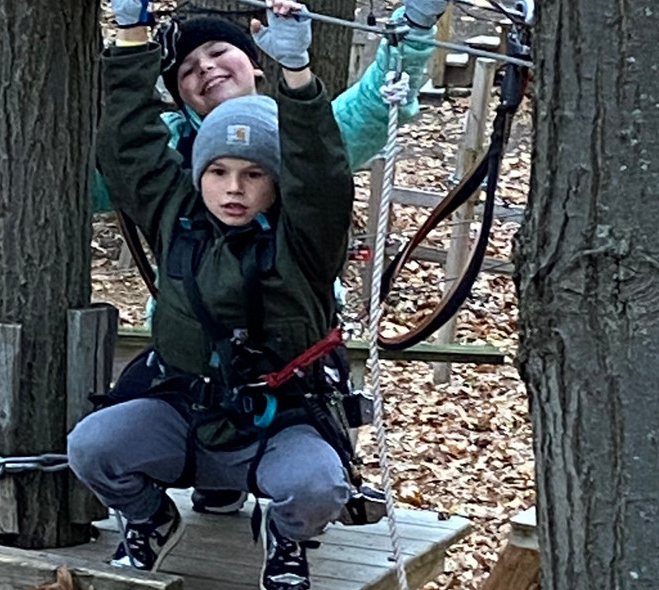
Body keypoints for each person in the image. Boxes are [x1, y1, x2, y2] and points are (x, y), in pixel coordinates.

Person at [68, 0, 356, 590]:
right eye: (218, 172)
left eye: (252, 175)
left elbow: (322, 172)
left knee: (318, 487)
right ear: (197, 174)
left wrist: (297, 73)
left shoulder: (305, 241)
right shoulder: (178, 219)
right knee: (94, 447)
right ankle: (150, 519)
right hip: (187, 411)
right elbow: (130, 144)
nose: (233, 188)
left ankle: (286, 536)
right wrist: (129, 35)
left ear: (276, 182)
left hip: (282, 419)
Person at [130, 0, 448, 517]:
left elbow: (372, 106)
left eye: (217, 52)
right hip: (196, 354)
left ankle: (291, 512)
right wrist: (127, 45)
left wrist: (412, 30)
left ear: (253, 60)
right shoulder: (168, 154)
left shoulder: (307, 133)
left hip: (290, 351)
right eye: (188, 69)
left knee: (302, 451)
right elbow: (118, 155)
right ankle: (208, 476)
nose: (206, 68)